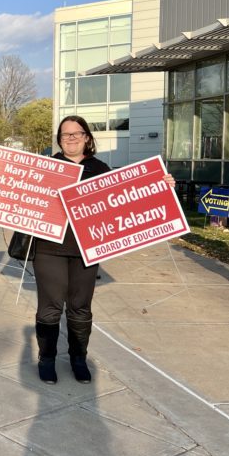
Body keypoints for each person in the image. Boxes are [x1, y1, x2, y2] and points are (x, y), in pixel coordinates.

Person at [32, 116, 175, 384]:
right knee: (50, 308)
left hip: (87, 250)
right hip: (49, 248)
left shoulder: (100, 168)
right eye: (65, 134)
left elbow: (127, 199)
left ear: (87, 137)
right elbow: (12, 181)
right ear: (59, 139)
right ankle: (47, 358)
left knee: (80, 308)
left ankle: (78, 358)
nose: (71, 138)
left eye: (77, 133)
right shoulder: (49, 167)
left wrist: (161, 187)